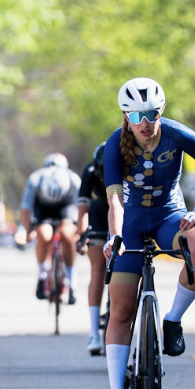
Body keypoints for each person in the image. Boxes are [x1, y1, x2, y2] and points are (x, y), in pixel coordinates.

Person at [103, 77, 195, 389]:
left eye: (151, 113)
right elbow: (115, 201)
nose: (145, 122)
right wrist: (115, 237)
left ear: (160, 111)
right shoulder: (114, 144)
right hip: (132, 222)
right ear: (126, 116)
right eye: (136, 115)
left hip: (170, 216)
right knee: (121, 311)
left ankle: (172, 319)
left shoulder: (176, 133)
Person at [21, 153, 82, 304]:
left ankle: (71, 281)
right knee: (44, 235)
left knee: (67, 236)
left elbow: (82, 209)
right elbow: (25, 209)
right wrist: (28, 230)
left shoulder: (74, 180)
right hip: (43, 208)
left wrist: (81, 232)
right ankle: (42, 275)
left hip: (66, 207)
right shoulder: (35, 179)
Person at [76, 142, 109, 355]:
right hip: (98, 216)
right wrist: (82, 236)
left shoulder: (130, 165)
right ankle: (94, 332)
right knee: (98, 269)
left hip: (125, 214)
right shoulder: (89, 171)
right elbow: (83, 209)